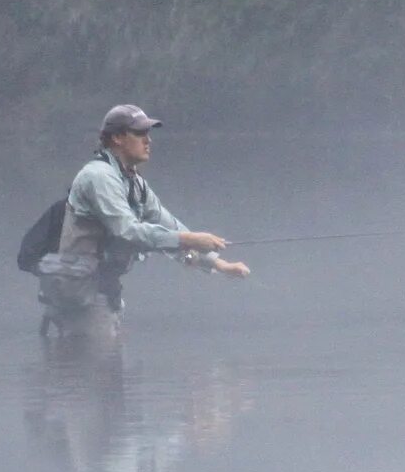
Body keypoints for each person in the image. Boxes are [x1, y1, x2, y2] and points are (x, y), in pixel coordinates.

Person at [36, 104, 247, 338]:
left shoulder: (133, 181)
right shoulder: (99, 177)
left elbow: (168, 226)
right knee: (95, 367)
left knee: (102, 367)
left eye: (148, 134)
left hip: (102, 291)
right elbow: (127, 232)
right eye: (139, 133)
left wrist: (219, 265)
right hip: (80, 295)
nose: (148, 140)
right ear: (116, 138)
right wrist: (189, 239)